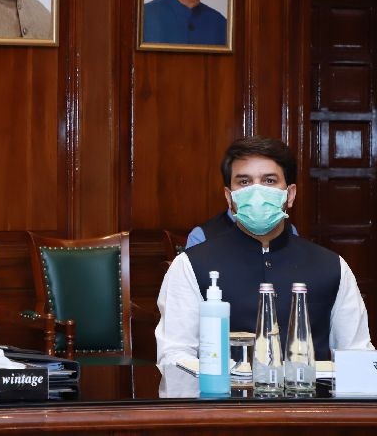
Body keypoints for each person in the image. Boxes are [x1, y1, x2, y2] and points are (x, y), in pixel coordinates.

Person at [156, 136, 372, 366]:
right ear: (229, 198)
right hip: (224, 390)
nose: (257, 192)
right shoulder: (190, 265)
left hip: (310, 390)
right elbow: (175, 357)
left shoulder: (332, 267)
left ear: (290, 194)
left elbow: (358, 355)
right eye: (244, 182)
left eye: (269, 181)